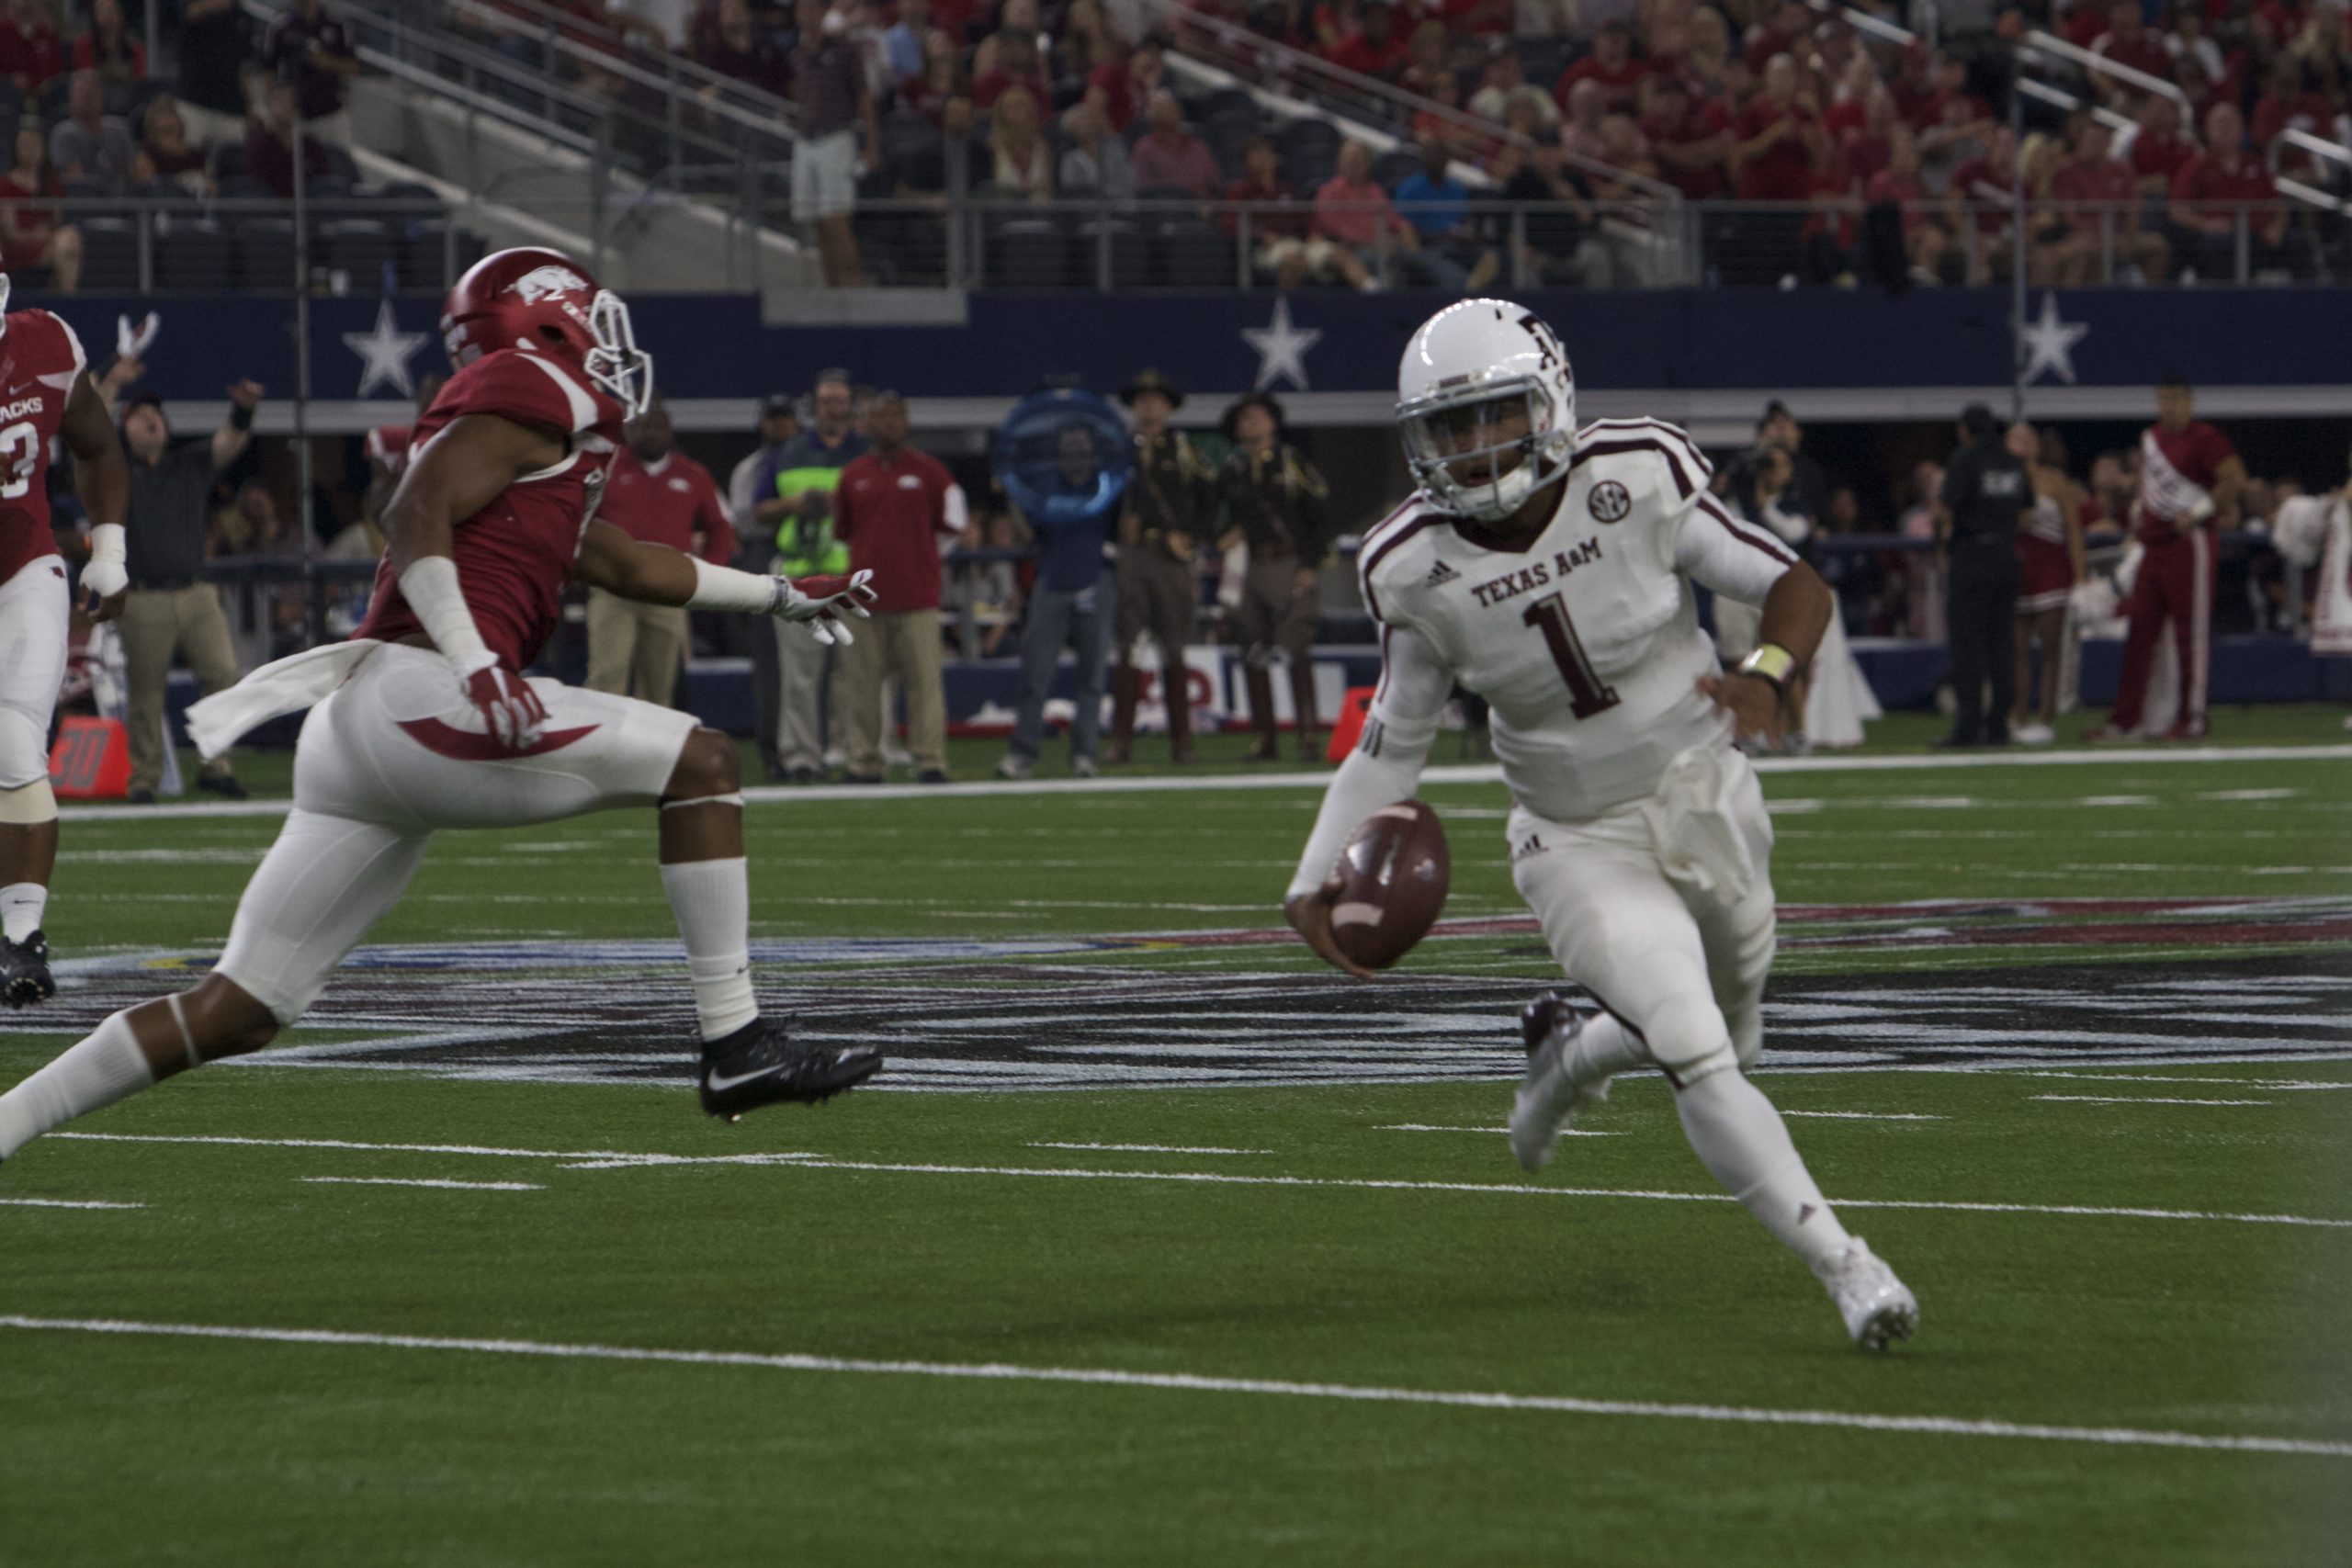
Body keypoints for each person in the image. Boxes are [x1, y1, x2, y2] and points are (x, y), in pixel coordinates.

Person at [0, 248, 884, 1170]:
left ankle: (5, 1122)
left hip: (361, 726)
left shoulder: (524, 430)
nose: (607, 339)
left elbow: (624, 562)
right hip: (424, 697)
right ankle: (735, 1045)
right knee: (703, 761)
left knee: (241, 1007)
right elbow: (414, 512)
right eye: (590, 315)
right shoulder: (532, 385)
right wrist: (474, 661)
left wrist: (782, 596)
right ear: (544, 324)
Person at [1283, 299, 1917, 1351]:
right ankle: (1849, 1267)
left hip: (1707, 793)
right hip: (1573, 835)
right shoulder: (1409, 565)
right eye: (1449, 430)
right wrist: (1310, 884)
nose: (1474, 449)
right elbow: (1391, 742)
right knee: (1695, 1044)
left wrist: (1764, 673)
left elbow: (1790, 583)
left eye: (1492, 417)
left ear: (1548, 400)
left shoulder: (1639, 473)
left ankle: (1570, 1057)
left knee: (1734, 1021)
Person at [0, 271, 130, 1008]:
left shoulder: (45, 343)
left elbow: (99, 446)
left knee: (15, 742)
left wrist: (108, 553)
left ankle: (22, 938)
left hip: (21, 570)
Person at [116, 381, 265, 804]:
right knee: (146, 691)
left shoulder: (187, 463)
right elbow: (88, 440)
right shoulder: (117, 471)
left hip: (196, 593)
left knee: (223, 674)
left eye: (157, 415)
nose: (152, 420)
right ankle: (144, 777)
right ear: (124, 428)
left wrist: (242, 411)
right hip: (142, 595)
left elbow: (228, 442)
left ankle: (215, 765)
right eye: (142, 416)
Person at [2087, 377, 2242, 742]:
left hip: (2189, 542)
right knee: (2140, 630)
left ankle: (2193, 717)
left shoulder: (2205, 438)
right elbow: (2150, 485)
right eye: (2162, 399)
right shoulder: (2153, 439)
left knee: (2191, 634)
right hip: (2153, 546)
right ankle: (2127, 720)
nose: (2168, 406)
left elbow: (2233, 480)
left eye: (2175, 399)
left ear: (2189, 401)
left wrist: (2199, 511)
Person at [832, 391, 963, 784]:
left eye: (895, 416)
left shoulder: (931, 472)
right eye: (879, 417)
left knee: (924, 684)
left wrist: (918, 559)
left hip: (917, 598)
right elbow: (843, 537)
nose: (888, 423)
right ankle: (865, 761)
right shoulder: (853, 475)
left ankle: (929, 760)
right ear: (866, 424)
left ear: (906, 422)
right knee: (863, 686)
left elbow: (953, 529)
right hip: (864, 601)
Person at [587, 395, 736, 708]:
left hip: (667, 592)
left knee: (660, 687)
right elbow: (579, 522)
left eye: (656, 425)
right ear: (627, 430)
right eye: (641, 426)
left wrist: (707, 574)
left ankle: (651, 754)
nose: (649, 433)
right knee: (605, 678)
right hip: (614, 589)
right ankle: (602, 753)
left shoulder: (693, 473)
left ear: (670, 429)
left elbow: (721, 528)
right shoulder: (606, 468)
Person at [997, 419, 1121, 780]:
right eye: (1070, 447)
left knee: (1093, 678)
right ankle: (1023, 754)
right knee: (1036, 676)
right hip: (1052, 582)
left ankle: (1084, 754)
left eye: (1082, 446)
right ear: (1059, 452)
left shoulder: (1108, 487)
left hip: (1096, 583)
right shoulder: (1045, 488)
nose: (1077, 453)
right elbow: (1027, 531)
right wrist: (1011, 489)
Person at [1215, 390, 1330, 761]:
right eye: (1244, 418)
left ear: (1272, 423)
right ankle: (1265, 738)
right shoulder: (1232, 470)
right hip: (1248, 564)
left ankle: (1307, 736)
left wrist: (1310, 565)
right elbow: (1215, 514)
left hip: (1286, 562)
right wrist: (1224, 534)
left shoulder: (1291, 462)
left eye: (1258, 416)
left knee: (1296, 646)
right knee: (1252, 647)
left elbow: (1320, 514)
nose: (1251, 423)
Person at [764, 371, 865, 782]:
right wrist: (793, 504)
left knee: (861, 673)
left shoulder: (866, 452)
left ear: (851, 408)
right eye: (827, 402)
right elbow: (757, 511)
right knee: (800, 677)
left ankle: (861, 754)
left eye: (841, 402)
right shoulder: (788, 452)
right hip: (801, 575)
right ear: (816, 407)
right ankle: (802, 756)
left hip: (853, 577)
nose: (834, 409)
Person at [1107, 369, 1211, 766]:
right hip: (1132, 553)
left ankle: (1183, 743)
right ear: (1134, 407)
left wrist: (1190, 535)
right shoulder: (1119, 451)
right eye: (1141, 400)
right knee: (1128, 645)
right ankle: (1121, 743)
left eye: (1156, 400)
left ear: (1167, 407)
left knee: (1173, 646)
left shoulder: (1184, 451)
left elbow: (1209, 499)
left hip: (1171, 557)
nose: (1148, 407)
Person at [1934, 403, 2029, 748]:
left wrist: (1940, 540)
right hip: (2005, 556)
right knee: (2001, 645)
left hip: (1971, 557)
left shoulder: (1966, 459)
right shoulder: (2013, 461)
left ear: (1965, 429)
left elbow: (1945, 508)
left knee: (1968, 646)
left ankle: (1968, 725)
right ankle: (1998, 725)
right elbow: (2026, 509)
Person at [729, 393, 801, 780]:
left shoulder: (809, 459)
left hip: (808, 558)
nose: (779, 425)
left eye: (785, 417)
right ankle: (773, 752)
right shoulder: (750, 470)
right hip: (763, 558)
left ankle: (813, 750)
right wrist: (790, 511)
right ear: (763, 424)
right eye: (772, 419)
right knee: (771, 664)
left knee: (815, 662)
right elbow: (746, 523)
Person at [2008, 421, 2086, 746]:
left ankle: (2046, 717)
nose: (2024, 443)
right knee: (2016, 647)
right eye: (2016, 438)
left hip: (2052, 569)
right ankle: (2019, 715)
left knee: (2051, 647)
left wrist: (2080, 576)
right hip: (2017, 569)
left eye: (2030, 438)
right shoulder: (2002, 482)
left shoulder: (2055, 481)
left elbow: (2074, 530)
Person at [792, 0, 876, 287]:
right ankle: (833, 292)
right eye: (802, 9)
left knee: (835, 219)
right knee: (817, 221)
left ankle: (855, 290)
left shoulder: (845, 50)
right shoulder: (799, 53)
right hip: (806, 141)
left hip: (836, 139)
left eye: (813, 8)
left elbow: (864, 98)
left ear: (824, 12)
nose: (807, 15)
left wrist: (871, 145)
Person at [257, 0, 359, 146]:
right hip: (294, 116)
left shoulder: (337, 23)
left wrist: (327, 62)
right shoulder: (279, 25)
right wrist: (274, 108)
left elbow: (354, 66)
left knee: (338, 163)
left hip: (331, 113)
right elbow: (268, 70)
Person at [361, 373, 448, 525]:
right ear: (418, 397)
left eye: (437, 393)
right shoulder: (392, 440)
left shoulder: (460, 442)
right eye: (428, 392)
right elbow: (377, 507)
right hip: (405, 525)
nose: (432, 398)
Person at [0, 123, 78, 291]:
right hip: (14, 246)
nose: (30, 150)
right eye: (24, 145)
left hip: (46, 246)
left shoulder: (51, 183)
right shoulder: (5, 184)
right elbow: (9, 231)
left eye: (34, 145)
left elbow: (56, 222)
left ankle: (67, 300)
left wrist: (46, 235)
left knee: (69, 239)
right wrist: (34, 235)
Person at [49, 67, 136, 194]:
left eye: (91, 93)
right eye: (80, 93)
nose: (86, 99)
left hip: (121, 205)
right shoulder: (64, 133)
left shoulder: (119, 130)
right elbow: (76, 183)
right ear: (71, 97)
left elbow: (134, 173)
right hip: (85, 208)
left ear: (101, 95)